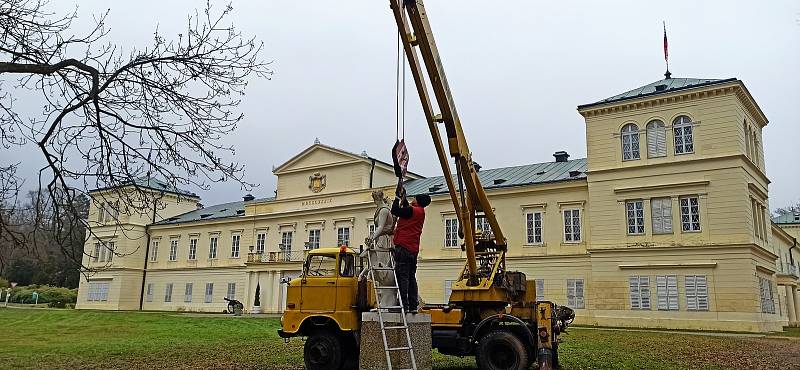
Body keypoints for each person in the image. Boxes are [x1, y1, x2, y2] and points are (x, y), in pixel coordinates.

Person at [391, 188, 431, 313]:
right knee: (411, 277)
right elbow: (406, 208)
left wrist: (397, 198)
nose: (412, 200)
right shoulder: (420, 212)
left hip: (403, 247)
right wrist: (404, 196)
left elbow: (395, 211)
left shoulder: (411, 210)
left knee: (402, 277)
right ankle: (413, 305)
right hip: (413, 250)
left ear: (417, 200)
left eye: (414, 198)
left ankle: (403, 305)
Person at [364, 190, 399, 308]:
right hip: (381, 240)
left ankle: (388, 303)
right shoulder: (384, 208)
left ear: (376, 199)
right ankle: (385, 302)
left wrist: (372, 237)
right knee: (381, 271)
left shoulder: (383, 210)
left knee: (383, 271)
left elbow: (380, 227)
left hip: (385, 241)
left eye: (374, 199)